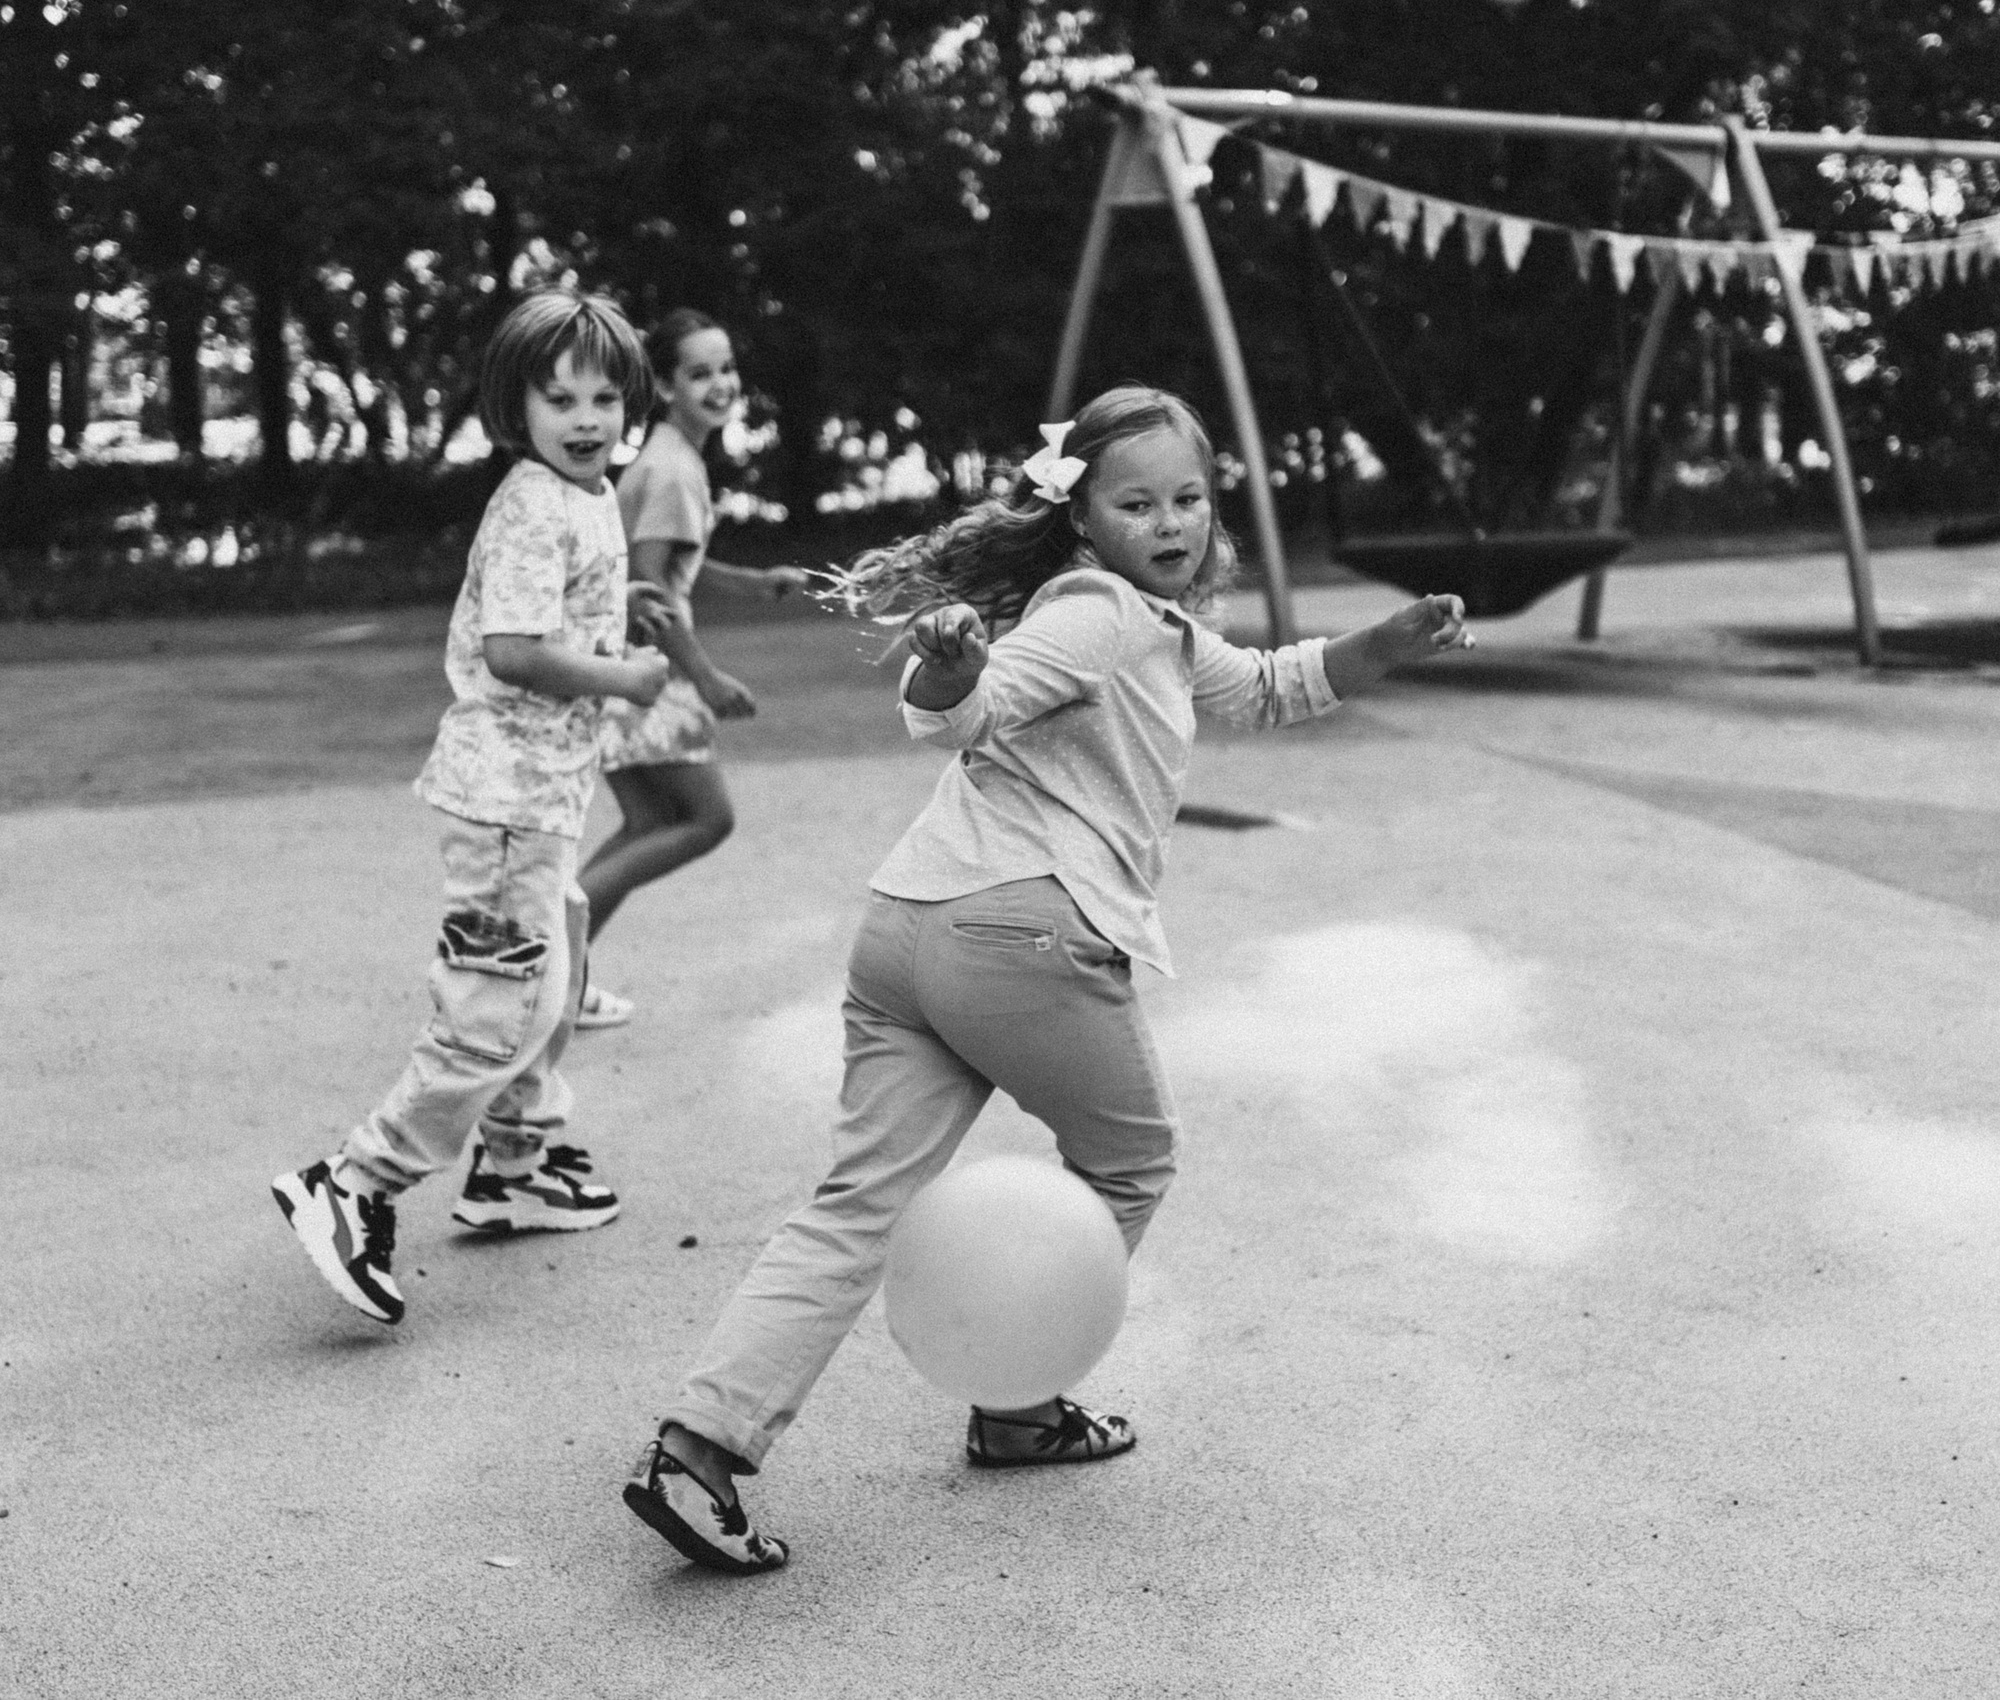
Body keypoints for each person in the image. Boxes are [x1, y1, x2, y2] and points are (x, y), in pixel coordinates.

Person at [620, 384, 1474, 1574]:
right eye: (1137, 504)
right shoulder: (1096, 613)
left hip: (906, 929)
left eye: (1188, 499)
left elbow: (1269, 686)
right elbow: (968, 714)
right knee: (1130, 1163)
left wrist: (1389, 640)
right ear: (1080, 518)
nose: (1170, 523)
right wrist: (947, 674)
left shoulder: (1157, 628)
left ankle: (698, 1451)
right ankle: (1019, 1409)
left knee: (857, 1203)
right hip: (1016, 939)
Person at [271, 289, 671, 1326]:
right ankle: (354, 1181)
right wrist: (624, 678)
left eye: (604, 397)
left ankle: (515, 1163)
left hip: (540, 799)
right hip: (504, 801)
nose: (585, 418)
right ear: (515, 406)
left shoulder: (586, 494)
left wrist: (619, 622)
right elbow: (514, 651)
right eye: (559, 399)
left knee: (559, 958)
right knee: (497, 1006)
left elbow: (560, 612)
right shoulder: (536, 500)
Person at [575, 309, 809, 1030]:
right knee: (709, 820)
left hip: (613, 663)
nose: (720, 384)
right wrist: (705, 677)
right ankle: (547, 950)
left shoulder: (669, 457)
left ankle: (558, 974)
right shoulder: (675, 469)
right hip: (645, 669)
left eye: (726, 368)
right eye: (700, 373)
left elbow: (676, 566)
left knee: (650, 820)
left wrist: (753, 583)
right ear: (665, 386)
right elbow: (649, 588)